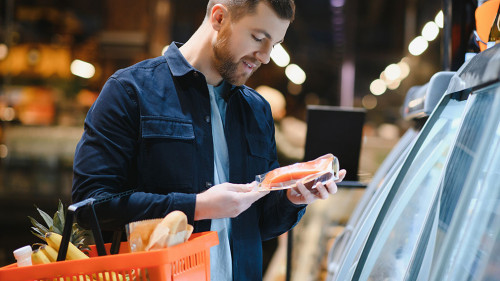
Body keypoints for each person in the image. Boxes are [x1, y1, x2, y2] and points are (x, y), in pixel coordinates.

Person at [72, 0, 347, 280]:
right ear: (218, 18)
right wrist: (197, 206)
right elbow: (89, 204)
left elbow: (259, 226)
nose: (265, 56)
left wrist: (292, 199)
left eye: (273, 44)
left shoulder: (258, 110)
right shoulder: (130, 91)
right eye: (258, 38)